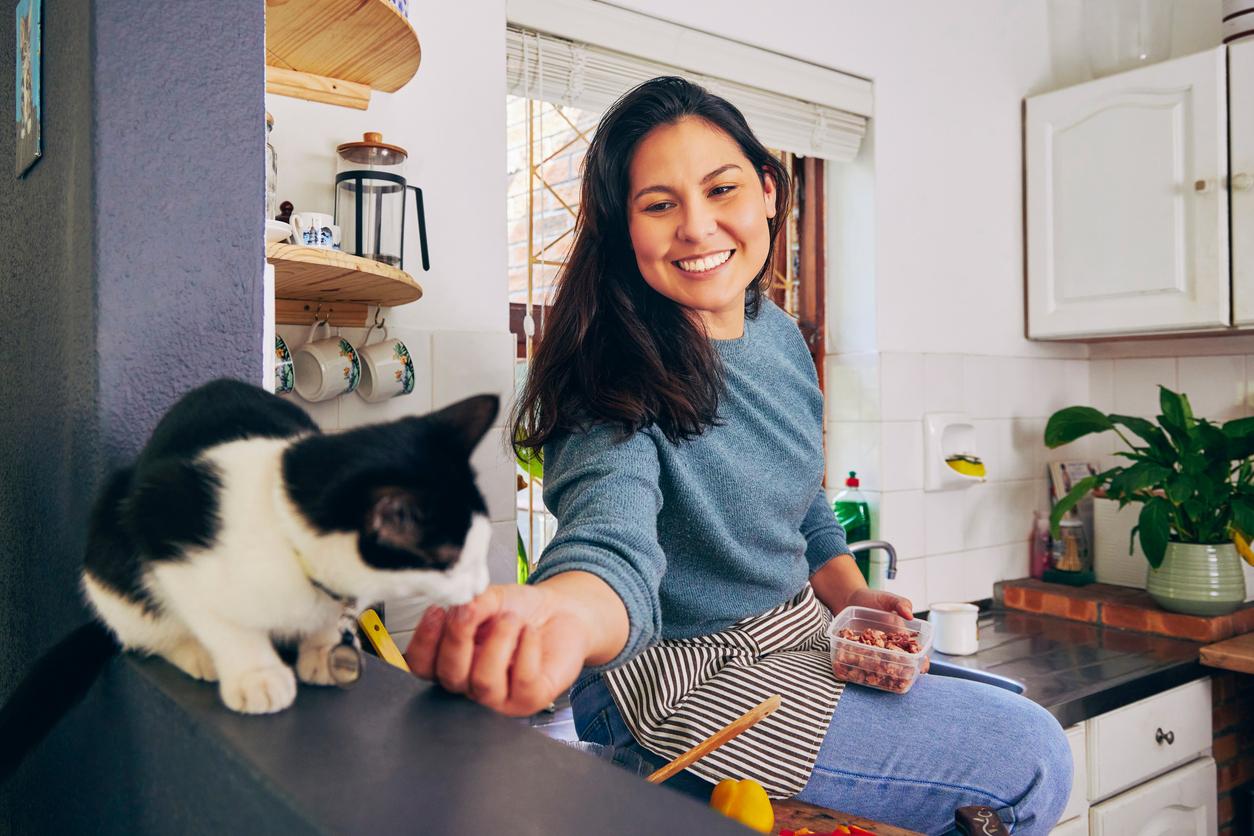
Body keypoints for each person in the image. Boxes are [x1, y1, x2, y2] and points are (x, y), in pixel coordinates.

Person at [406, 76, 1072, 834]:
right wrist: (559, 614)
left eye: (720, 189)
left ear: (765, 190)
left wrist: (851, 595)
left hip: (797, 636)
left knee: (1003, 705)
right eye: (659, 205)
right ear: (624, 229)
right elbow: (608, 541)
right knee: (1033, 758)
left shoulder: (777, 333)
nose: (696, 227)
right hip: (674, 679)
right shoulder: (610, 376)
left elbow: (803, 496)